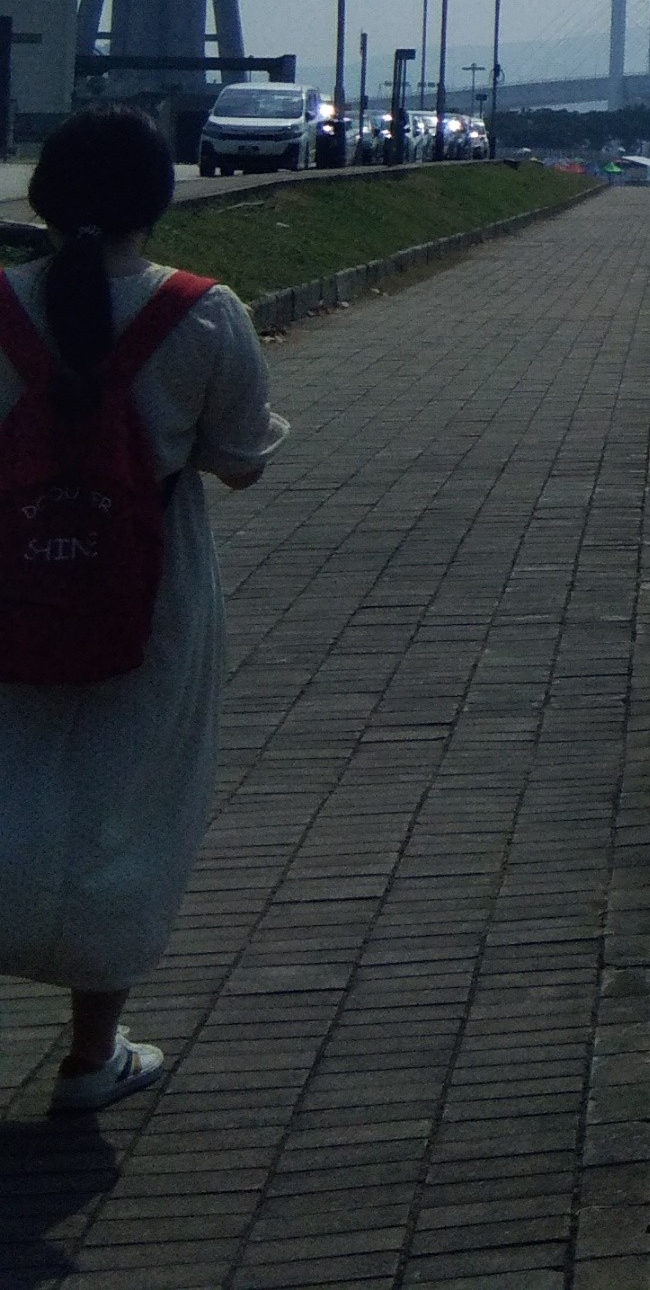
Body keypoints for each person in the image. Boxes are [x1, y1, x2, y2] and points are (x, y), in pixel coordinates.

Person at [0, 106, 284, 1113]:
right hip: (146, 590)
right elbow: (241, 461)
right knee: (127, 802)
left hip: (7, 580)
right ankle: (90, 1054)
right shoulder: (205, 313)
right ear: (156, 199)